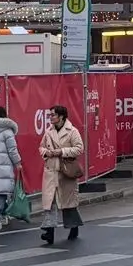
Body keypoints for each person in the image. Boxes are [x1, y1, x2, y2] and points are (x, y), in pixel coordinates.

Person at [38, 103, 86, 246]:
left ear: (61, 116)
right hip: (51, 171)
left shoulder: (72, 131)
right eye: (50, 115)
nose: (50, 118)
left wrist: (61, 151)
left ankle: (73, 227)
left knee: (68, 203)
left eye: (53, 115)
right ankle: (49, 232)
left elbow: (79, 148)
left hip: (65, 172)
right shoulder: (48, 131)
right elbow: (41, 146)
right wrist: (45, 153)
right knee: (50, 203)